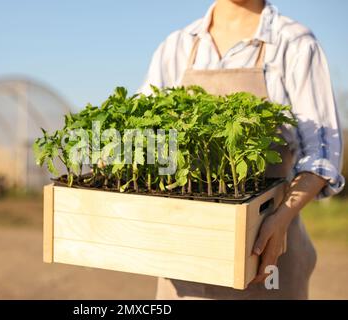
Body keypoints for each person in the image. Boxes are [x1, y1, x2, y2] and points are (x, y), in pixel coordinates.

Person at [139, 0, 345, 299]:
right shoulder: (177, 46)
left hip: (266, 246)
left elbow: (322, 154)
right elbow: (145, 132)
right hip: (184, 253)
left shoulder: (293, 43)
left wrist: (281, 219)